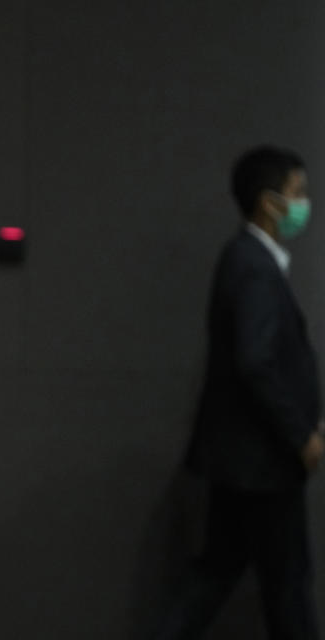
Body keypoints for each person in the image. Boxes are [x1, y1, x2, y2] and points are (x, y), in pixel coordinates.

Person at [157, 145, 323, 639]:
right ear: (268, 202)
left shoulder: (251, 259)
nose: (304, 203)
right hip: (262, 465)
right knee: (287, 586)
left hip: (244, 463)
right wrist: (301, 435)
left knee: (219, 576)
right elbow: (256, 360)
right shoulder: (252, 265)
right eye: (297, 193)